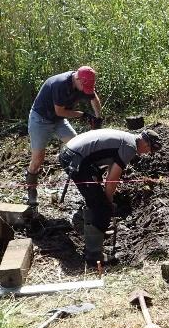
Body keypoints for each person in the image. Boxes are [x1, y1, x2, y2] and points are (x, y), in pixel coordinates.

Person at [59, 128, 161, 265]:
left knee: (96, 198)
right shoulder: (130, 147)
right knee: (101, 206)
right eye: (149, 150)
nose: (147, 153)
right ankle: (93, 255)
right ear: (145, 143)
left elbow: (110, 168)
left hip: (73, 154)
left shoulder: (128, 139)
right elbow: (112, 179)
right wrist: (107, 203)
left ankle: (95, 234)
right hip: (75, 159)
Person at [25, 67, 104, 206]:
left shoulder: (84, 81)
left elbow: (94, 98)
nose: (85, 90)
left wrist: (98, 118)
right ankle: (31, 190)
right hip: (40, 120)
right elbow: (60, 111)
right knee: (38, 158)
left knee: (78, 147)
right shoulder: (61, 84)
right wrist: (83, 115)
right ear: (78, 78)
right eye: (84, 87)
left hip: (58, 120)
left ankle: (89, 185)